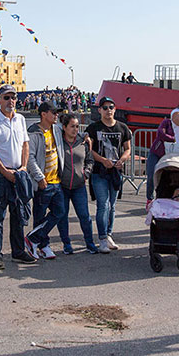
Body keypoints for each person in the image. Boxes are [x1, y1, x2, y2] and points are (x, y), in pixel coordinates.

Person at [0, 84, 36, 268]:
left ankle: (18, 251)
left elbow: (25, 145)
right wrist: (5, 172)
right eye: (6, 97)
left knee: (18, 214)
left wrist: (22, 167)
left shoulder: (20, 119)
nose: (11, 101)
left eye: (13, 97)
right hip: (0, 174)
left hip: (18, 174)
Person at [86, 96, 132, 254]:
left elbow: (127, 148)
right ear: (99, 110)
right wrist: (102, 160)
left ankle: (109, 234)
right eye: (104, 108)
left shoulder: (123, 128)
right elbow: (89, 150)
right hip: (99, 172)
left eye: (111, 107)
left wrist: (122, 160)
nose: (108, 110)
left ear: (115, 109)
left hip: (115, 172)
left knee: (112, 206)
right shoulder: (93, 128)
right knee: (103, 205)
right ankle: (102, 238)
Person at [26, 102, 66, 260]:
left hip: (56, 180)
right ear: (43, 114)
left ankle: (32, 239)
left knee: (60, 211)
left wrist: (85, 137)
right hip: (43, 182)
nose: (56, 115)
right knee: (39, 216)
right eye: (53, 112)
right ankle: (42, 245)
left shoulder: (56, 129)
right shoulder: (34, 132)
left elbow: (70, 136)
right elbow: (30, 158)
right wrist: (39, 177)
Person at [55, 113, 97, 254]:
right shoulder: (58, 142)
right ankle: (66, 244)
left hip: (79, 186)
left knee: (84, 216)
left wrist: (86, 173)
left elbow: (90, 160)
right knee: (62, 216)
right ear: (64, 127)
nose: (75, 129)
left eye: (77, 126)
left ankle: (90, 243)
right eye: (72, 126)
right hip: (63, 186)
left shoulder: (83, 141)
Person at [146, 118, 175, 210]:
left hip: (169, 155)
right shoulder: (166, 122)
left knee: (166, 177)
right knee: (151, 175)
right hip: (156, 153)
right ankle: (149, 199)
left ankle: (163, 199)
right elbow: (161, 134)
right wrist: (174, 139)